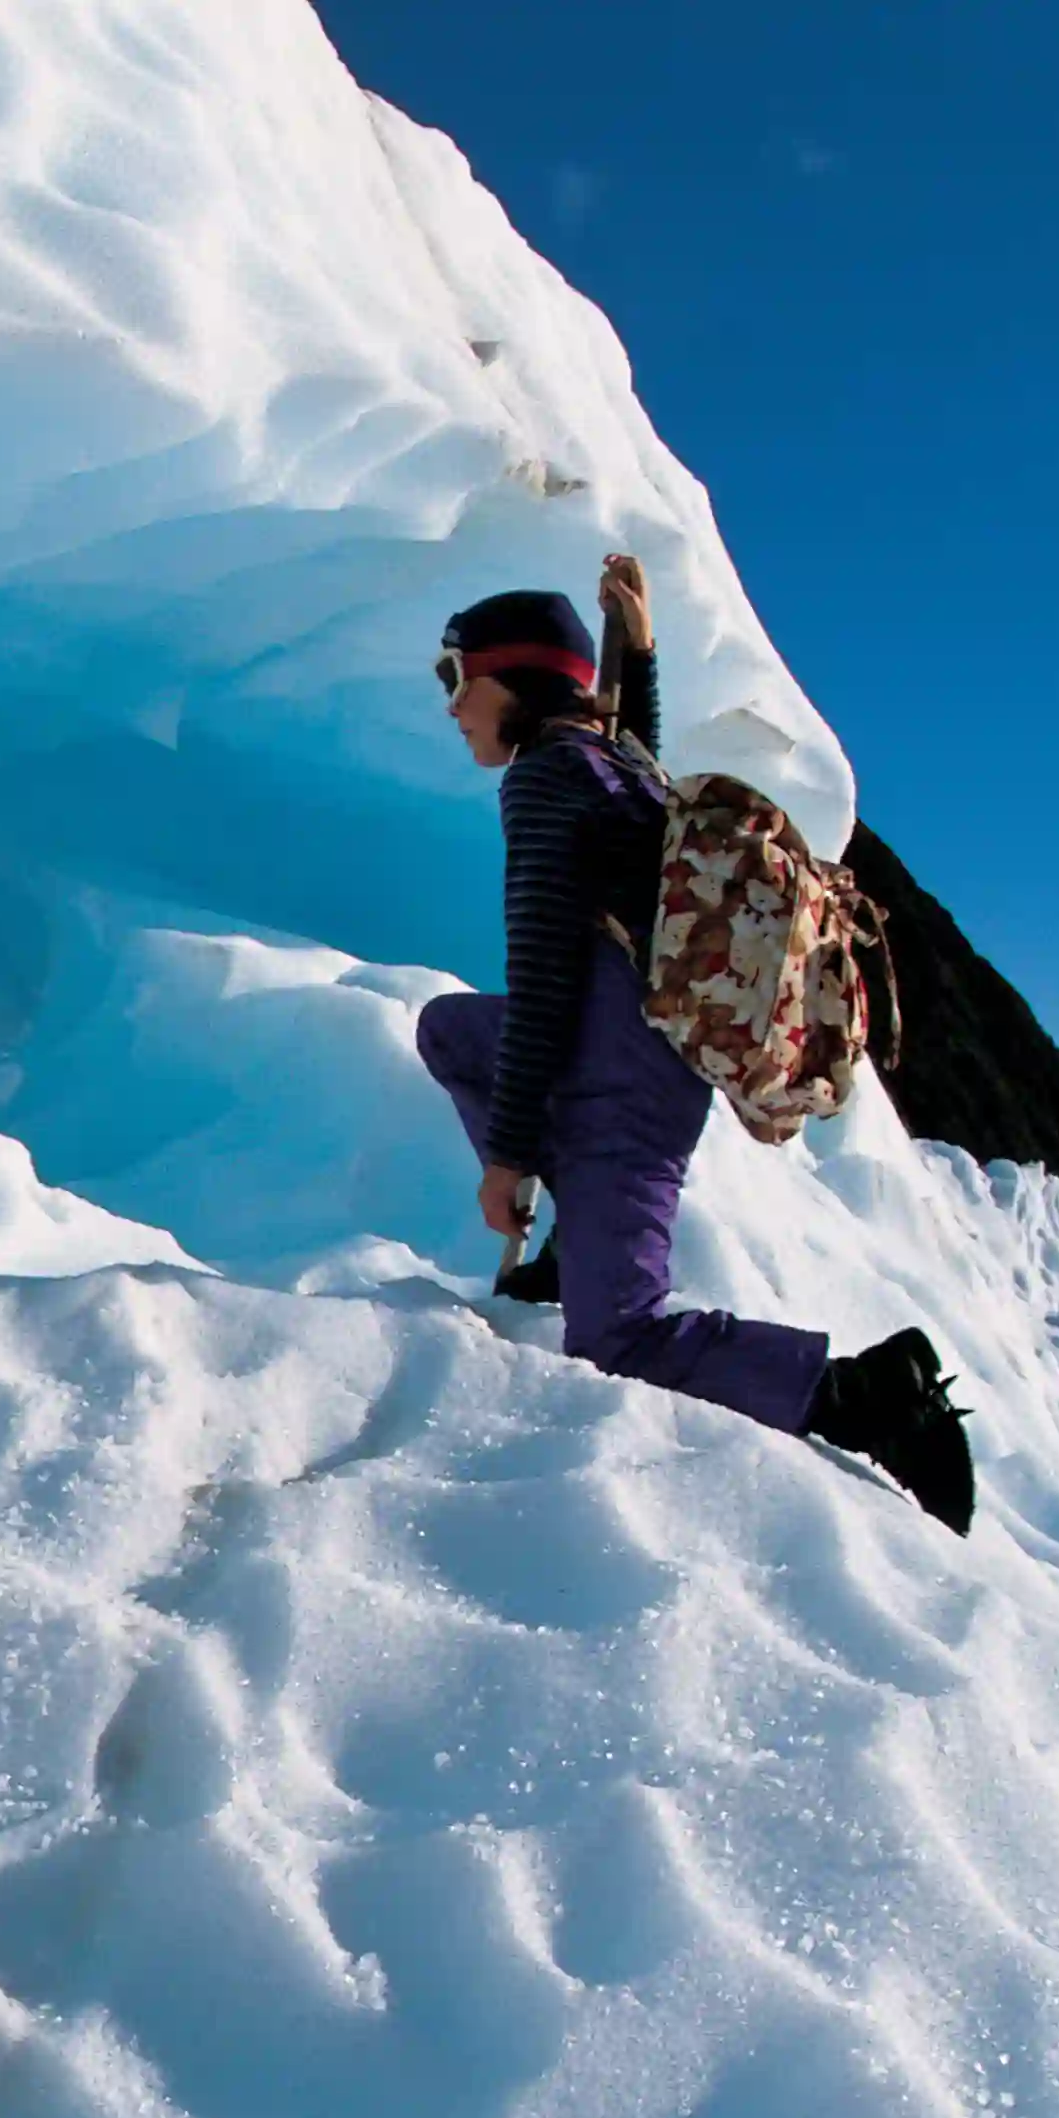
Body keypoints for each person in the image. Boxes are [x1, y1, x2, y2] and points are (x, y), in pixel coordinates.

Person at [411, 555, 978, 1533]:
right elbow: (635, 738)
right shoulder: (612, 764)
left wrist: (509, 1160)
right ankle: (572, 1245)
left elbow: (546, 975)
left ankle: (865, 1397)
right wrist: (637, 644)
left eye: (458, 679)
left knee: (618, 1337)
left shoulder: (546, 781)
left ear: (516, 680)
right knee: (451, 1031)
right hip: (637, 1056)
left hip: (619, 1085)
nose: (453, 706)